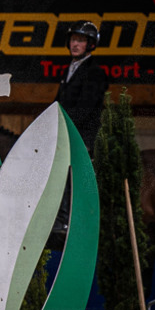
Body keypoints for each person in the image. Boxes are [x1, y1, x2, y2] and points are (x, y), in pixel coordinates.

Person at [51, 20, 109, 241]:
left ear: (90, 45)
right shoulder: (69, 69)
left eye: (81, 41)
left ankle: (65, 218)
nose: (75, 44)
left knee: (66, 164)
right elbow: (58, 103)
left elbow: (85, 108)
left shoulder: (95, 72)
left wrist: (63, 125)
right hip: (67, 130)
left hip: (84, 135)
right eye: (74, 40)